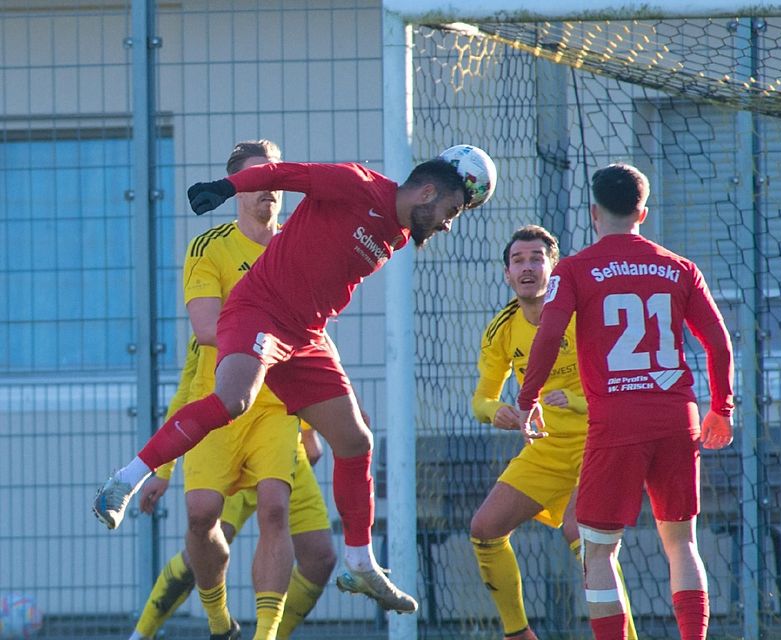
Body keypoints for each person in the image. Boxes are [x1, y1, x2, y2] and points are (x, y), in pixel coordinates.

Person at [93, 143, 498, 615]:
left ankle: (359, 562)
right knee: (233, 400)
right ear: (427, 190)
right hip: (260, 311)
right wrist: (226, 188)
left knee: (356, 441)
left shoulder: (400, 234)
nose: (449, 223)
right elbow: (288, 173)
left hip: (305, 336)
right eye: (450, 210)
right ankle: (125, 481)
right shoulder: (357, 183)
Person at [515, 164, 735, 640]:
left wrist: (528, 396)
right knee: (682, 544)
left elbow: (550, 334)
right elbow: (718, 341)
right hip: (677, 416)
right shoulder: (678, 267)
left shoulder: (573, 269)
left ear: (594, 212)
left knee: (598, 549)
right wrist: (722, 407)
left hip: (616, 421)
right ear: (643, 212)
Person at [470, 225, 638, 640]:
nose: (527, 267)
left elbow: (627, 380)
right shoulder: (502, 329)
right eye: (518, 260)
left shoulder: (584, 315)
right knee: (485, 529)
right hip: (547, 449)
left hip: (598, 442)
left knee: (580, 533)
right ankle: (517, 634)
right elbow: (480, 401)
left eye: (536, 259)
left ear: (554, 268)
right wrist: (499, 412)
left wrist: (578, 401)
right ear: (507, 274)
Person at [130, 338, 336, 640]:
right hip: (230, 455)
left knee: (320, 557)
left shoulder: (279, 307)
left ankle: (270, 636)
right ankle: (143, 634)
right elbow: (186, 397)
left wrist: (308, 432)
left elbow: (305, 361)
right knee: (202, 547)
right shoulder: (207, 330)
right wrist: (163, 470)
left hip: (282, 452)